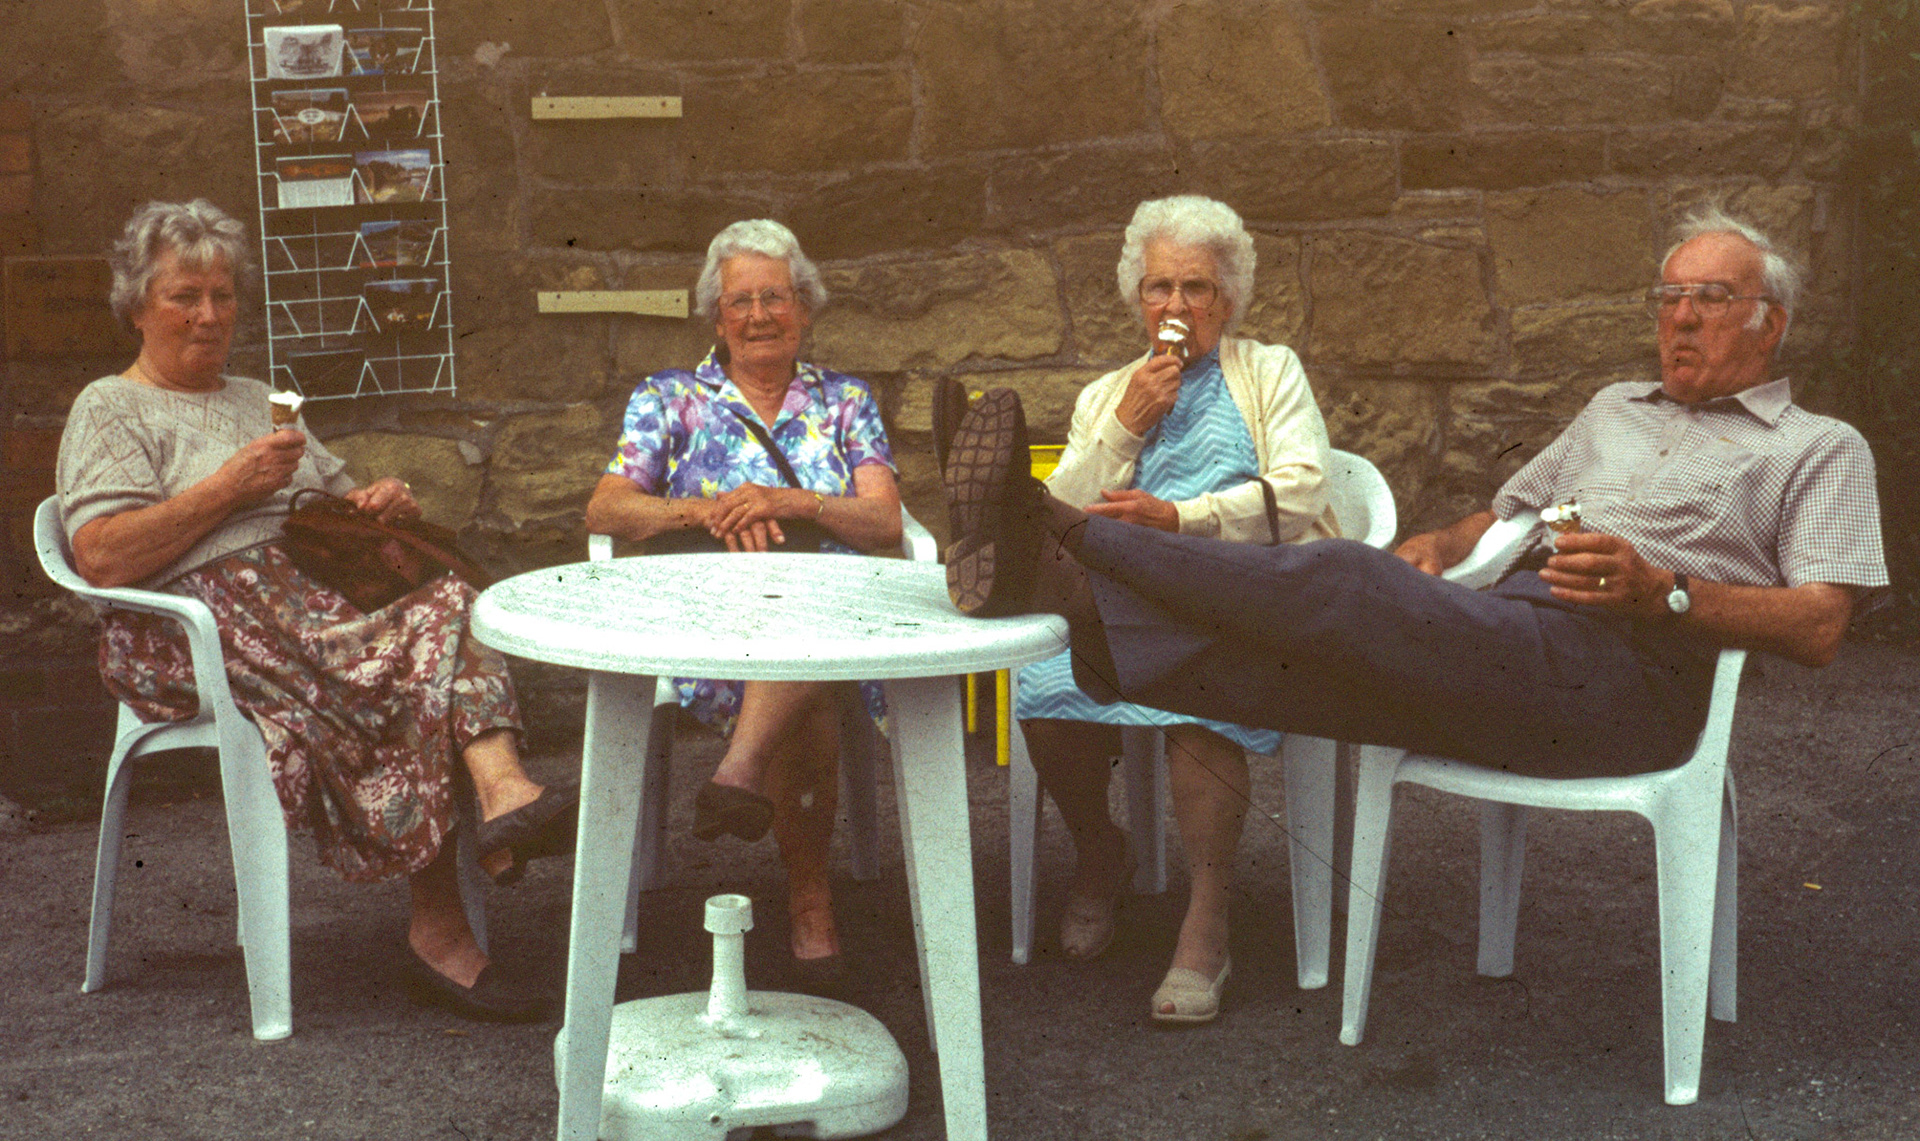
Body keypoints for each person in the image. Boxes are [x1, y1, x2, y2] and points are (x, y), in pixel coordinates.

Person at [943, 206, 1886, 974]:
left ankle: (1056, 537)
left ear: (1771, 320)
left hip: (1634, 676)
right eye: (1669, 296)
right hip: (1512, 636)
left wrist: (1663, 591)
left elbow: (1821, 625)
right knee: (1272, 667)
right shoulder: (1614, 410)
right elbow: (1501, 518)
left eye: (1709, 298)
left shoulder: (1816, 446)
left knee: (1347, 572)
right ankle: (1086, 608)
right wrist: (1438, 543)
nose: (1679, 318)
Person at [56, 199, 576, 1022]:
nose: (208, 314)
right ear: (136, 303)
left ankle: (488, 838)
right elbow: (101, 555)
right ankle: (489, 831)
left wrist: (380, 497)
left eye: (224, 295)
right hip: (189, 621)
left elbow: (333, 497)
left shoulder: (258, 395)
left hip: (305, 602)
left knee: (444, 613)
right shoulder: (110, 407)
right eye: (185, 295)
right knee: (429, 632)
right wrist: (232, 485)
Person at [1001, 196, 1338, 1024]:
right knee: (1044, 692)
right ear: (1136, 298)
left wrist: (1179, 519)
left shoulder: (1270, 371)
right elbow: (1062, 513)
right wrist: (1123, 426)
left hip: (1235, 593)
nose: (1176, 308)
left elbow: (1303, 491)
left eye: (1195, 288)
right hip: (1123, 597)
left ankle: (1207, 916)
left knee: (1203, 697)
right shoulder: (1108, 392)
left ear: (1227, 300)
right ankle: (1098, 851)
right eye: (1160, 288)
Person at [583, 219, 902, 986]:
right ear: (716, 316)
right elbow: (606, 508)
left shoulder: (846, 400)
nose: (759, 315)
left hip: (820, 614)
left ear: (805, 307)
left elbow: (885, 520)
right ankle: (808, 898)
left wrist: (791, 501)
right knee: (811, 680)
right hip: (713, 619)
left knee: (811, 660)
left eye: (775, 298)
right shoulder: (671, 397)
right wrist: (710, 508)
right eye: (741, 302)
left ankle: (745, 783)